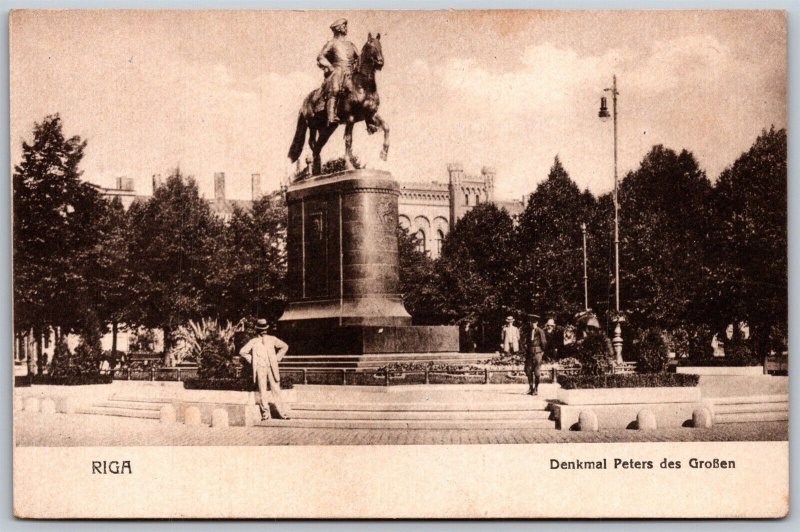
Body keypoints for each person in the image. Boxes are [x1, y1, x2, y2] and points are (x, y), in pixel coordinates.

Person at [238, 319, 291, 421]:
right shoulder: (253, 341)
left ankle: (282, 413)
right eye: (261, 329)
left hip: (271, 367)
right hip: (260, 367)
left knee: (276, 389)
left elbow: (285, 346)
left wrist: (277, 358)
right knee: (262, 390)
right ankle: (265, 413)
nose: (264, 331)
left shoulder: (272, 339)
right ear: (258, 330)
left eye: (265, 329)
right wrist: (253, 360)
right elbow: (242, 352)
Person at [317, 18, 359, 125]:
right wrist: (330, 67)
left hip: (351, 73)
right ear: (338, 28)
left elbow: (359, 58)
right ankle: (331, 116)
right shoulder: (331, 43)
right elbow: (320, 57)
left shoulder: (351, 44)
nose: (346, 28)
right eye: (344, 26)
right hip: (337, 71)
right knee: (335, 88)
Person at [523, 314, 547, 395]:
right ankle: (530, 388)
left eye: (534, 322)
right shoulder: (529, 331)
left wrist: (542, 351)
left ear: (537, 323)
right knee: (529, 371)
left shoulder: (540, 331)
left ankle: (536, 389)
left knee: (537, 372)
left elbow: (544, 342)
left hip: (537, 353)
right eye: (531, 322)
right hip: (529, 353)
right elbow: (526, 341)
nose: (532, 324)